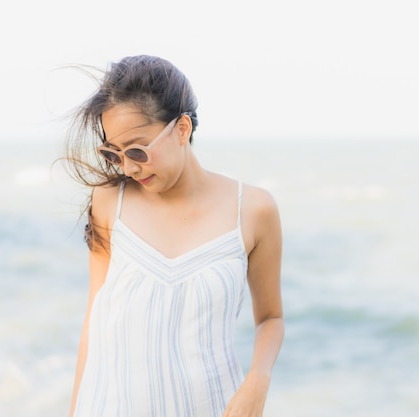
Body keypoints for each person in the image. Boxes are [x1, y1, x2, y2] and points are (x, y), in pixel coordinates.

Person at [63, 55, 284, 417]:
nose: (129, 167)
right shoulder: (108, 203)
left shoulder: (254, 210)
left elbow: (271, 318)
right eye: (114, 154)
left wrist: (257, 382)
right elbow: (94, 321)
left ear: (182, 129)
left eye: (138, 150)